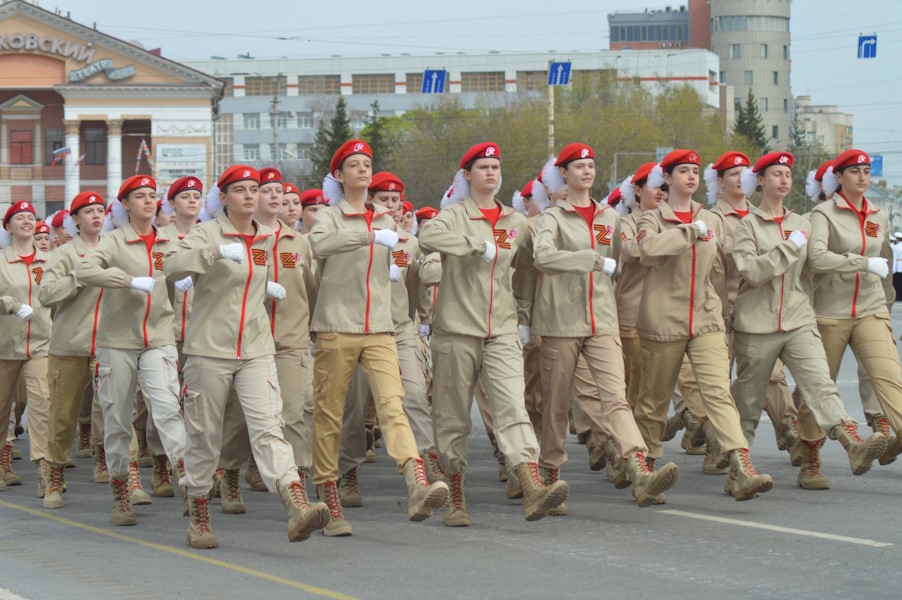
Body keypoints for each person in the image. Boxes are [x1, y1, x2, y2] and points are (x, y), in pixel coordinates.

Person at [163, 165, 330, 548]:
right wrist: (214, 252)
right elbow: (170, 266)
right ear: (223, 197)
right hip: (209, 349)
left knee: (271, 426)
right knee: (205, 437)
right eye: (240, 190)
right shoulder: (206, 231)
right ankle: (200, 517)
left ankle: (297, 505)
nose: (250, 196)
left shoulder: (268, 237)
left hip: (256, 348)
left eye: (254, 189)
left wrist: (266, 285)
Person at [419, 142, 568, 525]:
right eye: (482, 167)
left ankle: (532, 486)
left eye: (496, 167)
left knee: (513, 408)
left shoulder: (514, 222)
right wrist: (473, 245)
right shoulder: (453, 216)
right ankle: (455, 494)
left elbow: (527, 270)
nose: (490, 173)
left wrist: (522, 316)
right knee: (452, 418)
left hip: (500, 330)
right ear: (466, 175)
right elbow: (427, 238)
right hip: (455, 330)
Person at [308, 140, 449, 537]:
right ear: (339, 175)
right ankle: (329, 494)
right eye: (354, 165)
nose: (362, 169)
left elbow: (405, 266)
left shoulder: (387, 221)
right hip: (337, 328)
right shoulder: (330, 217)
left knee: (393, 405)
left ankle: (416, 481)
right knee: (332, 414)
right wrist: (366, 237)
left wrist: (397, 246)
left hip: (381, 330)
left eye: (367, 163)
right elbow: (318, 245)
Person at [533, 143, 679, 508]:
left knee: (616, 397)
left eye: (591, 165)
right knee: (555, 405)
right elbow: (543, 257)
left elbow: (617, 262)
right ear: (562, 174)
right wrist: (587, 259)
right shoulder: (551, 217)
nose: (587, 171)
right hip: (561, 323)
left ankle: (638, 466)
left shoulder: (607, 217)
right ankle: (550, 473)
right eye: (578, 166)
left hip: (602, 321)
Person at [730, 151, 887, 489]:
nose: (783, 180)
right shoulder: (747, 226)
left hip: (798, 318)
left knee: (819, 384)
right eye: (775, 174)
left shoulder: (802, 223)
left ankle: (853, 445)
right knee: (748, 403)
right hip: (757, 326)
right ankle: (738, 471)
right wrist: (788, 248)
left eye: (787, 175)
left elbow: (811, 273)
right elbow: (752, 272)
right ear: (759, 181)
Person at [633, 149, 772, 501]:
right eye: (683, 171)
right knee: (653, 402)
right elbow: (648, 251)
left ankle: (740, 467)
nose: (691, 177)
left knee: (719, 394)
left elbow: (717, 271)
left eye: (695, 171)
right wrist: (686, 232)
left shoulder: (709, 218)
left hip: (706, 319)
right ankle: (645, 471)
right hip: (663, 322)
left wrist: (724, 314)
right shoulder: (651, 218)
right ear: (666, 178)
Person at [76, 175, 187, 526]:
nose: (149, 201)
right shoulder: (113, 241)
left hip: (159, 338)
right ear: (125, 203)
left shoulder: (168, 240)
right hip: (118, 341)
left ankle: (189, 477)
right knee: (118, 419)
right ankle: (121, 492)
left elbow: (188, 271)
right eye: (140, 196)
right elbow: (86, 270)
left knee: (168, 408)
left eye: (153, 196)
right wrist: (125, 280)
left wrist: (188, 277)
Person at [703, 152, 800, 464]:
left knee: (770, 376)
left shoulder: (763, 217)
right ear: (719, 182)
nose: (739, 179)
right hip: (719, 311)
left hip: (756, 314)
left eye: (743, 173)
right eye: (732, 174)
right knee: (720, 383)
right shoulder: (712, 219)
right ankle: (715, 442)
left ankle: (789, 430)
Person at [807, 148, 902, 465]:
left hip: (871, 309)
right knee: (821, 386)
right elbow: (817, 258)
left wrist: (885, 306)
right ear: (838, 177)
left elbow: (885, 263)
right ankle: (809, 458)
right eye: (854, 171)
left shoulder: (879, 215)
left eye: (866, 171)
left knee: (890, 378)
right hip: (830, 313)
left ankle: (893, 434)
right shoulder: (824, 215)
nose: (862, 176)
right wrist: (861, 262)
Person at [39, 192, 107, 508]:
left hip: (109, 344)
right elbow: (46, 295)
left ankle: (123, 473)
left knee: (116, 411)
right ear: (75, 220)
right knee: (63, 417)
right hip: (69, 345)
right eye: (88, 211)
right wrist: (77, 277)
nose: (96, 215)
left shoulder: (114, 249)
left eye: (100, 210)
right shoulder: (65, 253)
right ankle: (55, 475)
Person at [0, 201, 51, 494]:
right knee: (3, 407)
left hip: (41, 345)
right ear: (8, 227)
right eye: (19, 217)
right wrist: (7, 304)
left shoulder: (49, 260)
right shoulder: (1, 261)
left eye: (31, 216)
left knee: (42, 404)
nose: (26, 221)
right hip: (5, 347)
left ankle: (45, 469)